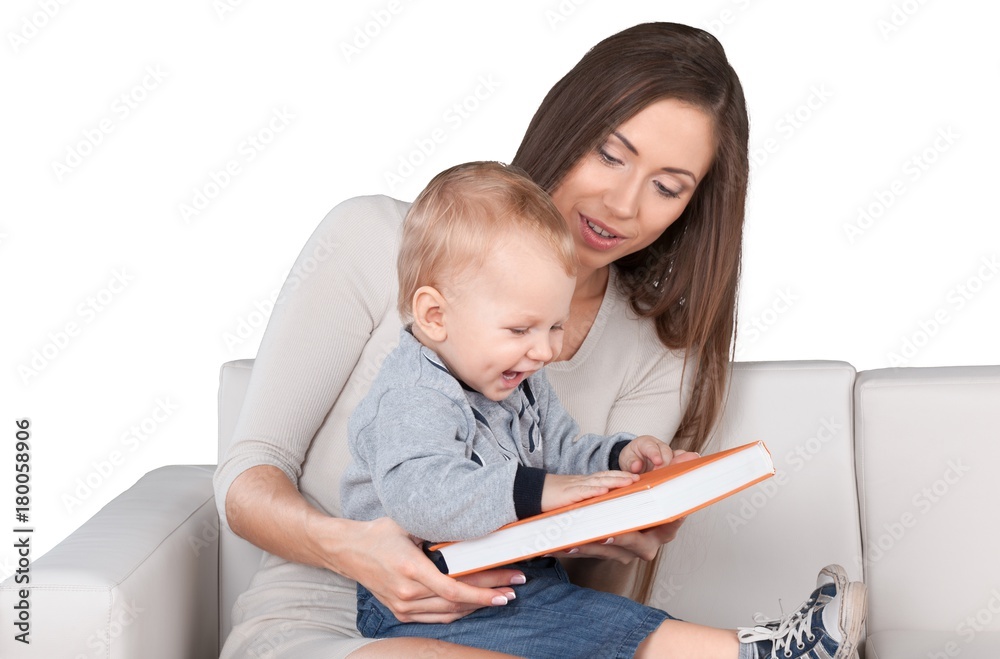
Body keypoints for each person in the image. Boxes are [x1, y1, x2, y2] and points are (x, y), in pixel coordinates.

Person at [214, 22, 859, 658]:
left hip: (507, 613)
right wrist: (353, 549)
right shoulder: (374, 241)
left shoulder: (654, 353)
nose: (624, 204)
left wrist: (624, 513)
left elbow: (575, 570)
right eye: (611, 154)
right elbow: (248, 476)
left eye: (667, 187)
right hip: (328, 617)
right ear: (568, 126)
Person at [337, 161, 867, 659]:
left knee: (584, 617)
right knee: (575, 621)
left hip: (504, 572)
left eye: (554, 327)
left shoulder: (517, 380)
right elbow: (421, 495)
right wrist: (540, 490)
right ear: (434, 315)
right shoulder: (412, 394)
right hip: (416, 601)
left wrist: (620, 455)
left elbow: (563, 448)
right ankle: (758, 650)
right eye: (521, 330)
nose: (544, 350)